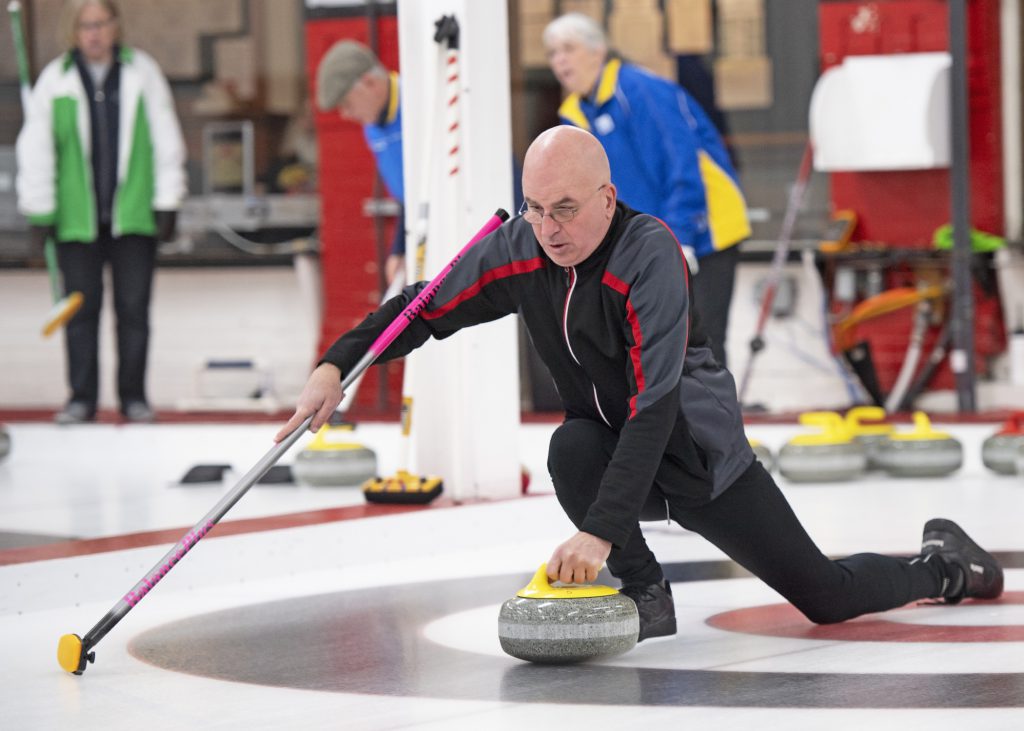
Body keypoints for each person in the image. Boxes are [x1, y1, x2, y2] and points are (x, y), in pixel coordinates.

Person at [276, 126, 1002, 641]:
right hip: (611, 442)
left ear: (605, 195)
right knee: (571, 450)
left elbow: (653, 408)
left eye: (564, 208)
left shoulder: (647, 254)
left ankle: (945, 566)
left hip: (695, 454)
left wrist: (596, 532)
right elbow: (424, 306)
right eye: (534, 208)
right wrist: (337, 363)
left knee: (824, 596)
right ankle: (646, 589)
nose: (549, 228)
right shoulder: (523, 245)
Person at [543, 12, 749, 369]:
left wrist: (681, 236)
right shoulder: (573, 115)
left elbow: (680, 163)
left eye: (568, 49)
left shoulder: (641, 90)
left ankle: (715, 423)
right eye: (552, 53)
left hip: (706, 231)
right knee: (657, 346)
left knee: (703, 342)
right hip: (656, 241)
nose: (560, 60)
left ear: (598, 51)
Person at [16, 0, 186, 424]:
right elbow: (36, 150)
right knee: (80, 311)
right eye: (85, 26)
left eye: (100, 24)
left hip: (132, 215)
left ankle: (133, 398)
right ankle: (81, 398)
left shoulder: (142, 73)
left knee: (133, 310)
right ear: (74, 31)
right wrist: (41, 211)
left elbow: (166, 138)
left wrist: (168, 200)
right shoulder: (55, 81)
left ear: (115, 26)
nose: (93, 33)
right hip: (77, 220)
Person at [316, 40, 406, 285]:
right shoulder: (372, 128)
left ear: (370, 83)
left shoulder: (417, 106)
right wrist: (399, 250)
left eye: (347, 103)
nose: (346, 114)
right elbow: (406, 196)